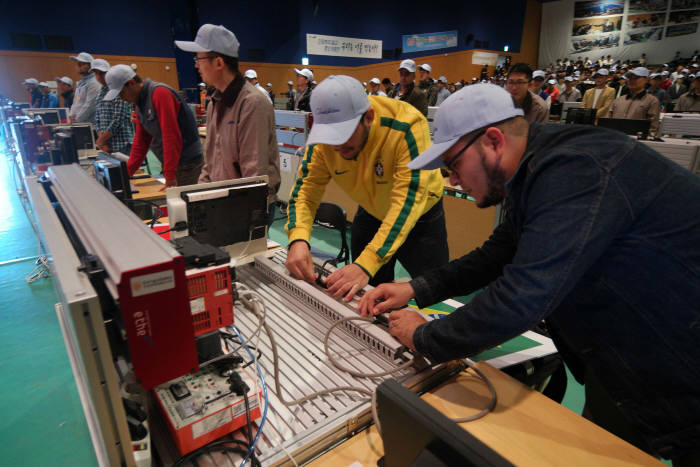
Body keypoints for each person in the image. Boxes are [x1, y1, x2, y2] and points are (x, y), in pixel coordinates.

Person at [358, 83, 700, 467]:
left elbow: (523, 294)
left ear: (492, 141)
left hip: (680, 362)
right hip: (623, 357)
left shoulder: (576, 169)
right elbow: (496, 256)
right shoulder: (535, 170)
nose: (452, 180)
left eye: (453, 165)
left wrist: (425, 336)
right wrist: (414, 287)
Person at [285, 75, 448, 301]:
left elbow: (405, 205)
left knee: (433, 290)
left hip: (420, 214)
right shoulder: (323, 143)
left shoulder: (407, 125)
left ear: (368, 117)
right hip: (372, 210)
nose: (337, 147)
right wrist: (298, 238)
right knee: (367, 292)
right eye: (330, 138)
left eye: (344, 136)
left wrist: (367, 263)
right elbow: (305, 191)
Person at [174, 24, 280, 220]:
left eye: (199, 58)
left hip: (248, 206)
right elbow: (211, 162)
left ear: (219, 63)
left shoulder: (252, 103)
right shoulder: (214, 101)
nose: (196, 65)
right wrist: (196, 200)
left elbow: (253, 175)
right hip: (222, 200)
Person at [103, 64, 203, 189]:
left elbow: (171, 136)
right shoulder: (140, 103)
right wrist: (126, 175)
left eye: (121, 93)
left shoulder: (160, 93)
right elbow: (141, 142)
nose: (122, 99)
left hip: (188, 164)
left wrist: (170, 175)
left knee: (184, 205)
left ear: (131, 83)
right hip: (174, 163)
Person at [92, 59, 134, 154]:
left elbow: (118, 120)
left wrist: (101, 141)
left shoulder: (119, 90)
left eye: (102, 73)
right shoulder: (99, 95)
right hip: (105, 145)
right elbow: (97, 120)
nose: (98, 76)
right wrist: (102, 142)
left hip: (122, 144)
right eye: (96, 73)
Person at [609, 67, 660, 134]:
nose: (632, 81)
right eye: (630, 78)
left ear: (646, 80)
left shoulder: (652, 101)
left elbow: (652, 129)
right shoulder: (618, 101)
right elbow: (609, 122)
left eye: (636, 78)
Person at [68, 52, 102, 123]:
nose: (79, 66)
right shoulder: (80, 83)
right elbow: (75, 103)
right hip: (79, 123)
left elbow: (90, 106)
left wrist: (77, 120)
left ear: (90, 66)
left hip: (90, 125)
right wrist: (71, 115)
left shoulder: (94, 82)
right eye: (78, 63)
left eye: (82, 64)